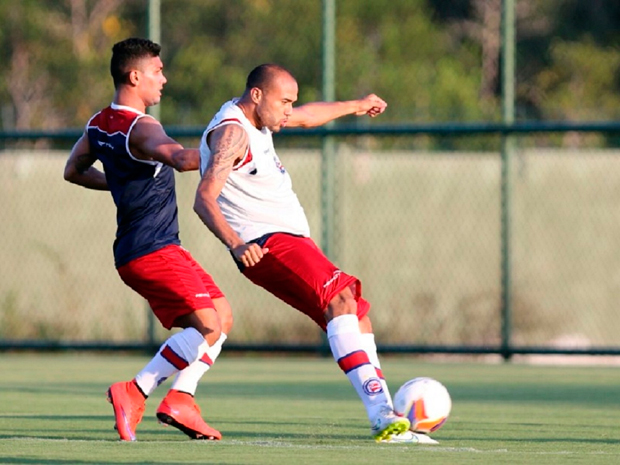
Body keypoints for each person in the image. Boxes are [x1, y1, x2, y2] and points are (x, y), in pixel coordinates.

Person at [193, 64, 432, 444]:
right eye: (284, 101)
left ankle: (388, 419)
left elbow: (307, 118)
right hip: (268, 242)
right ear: (256, 95)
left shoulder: (257, 122)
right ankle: (380, 415)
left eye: (292, 102)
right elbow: (203, 198)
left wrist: (358, 105)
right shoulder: (233, 133)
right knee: (340, 301)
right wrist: (236, 244)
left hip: (289, 241)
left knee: (355, 314)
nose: (290, 110)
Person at [63, 37, 232, 442]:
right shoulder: (142, 126)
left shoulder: (99, 123)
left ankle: (182, 399)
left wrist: (120, 186)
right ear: (134, 75)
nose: (164, 79)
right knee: (207, 325)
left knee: (222, 317)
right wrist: (233, 147)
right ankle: (136, 390)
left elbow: (73, 169)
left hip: (144, 248)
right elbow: (180, 158)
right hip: (153, 249)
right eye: (157, 71)